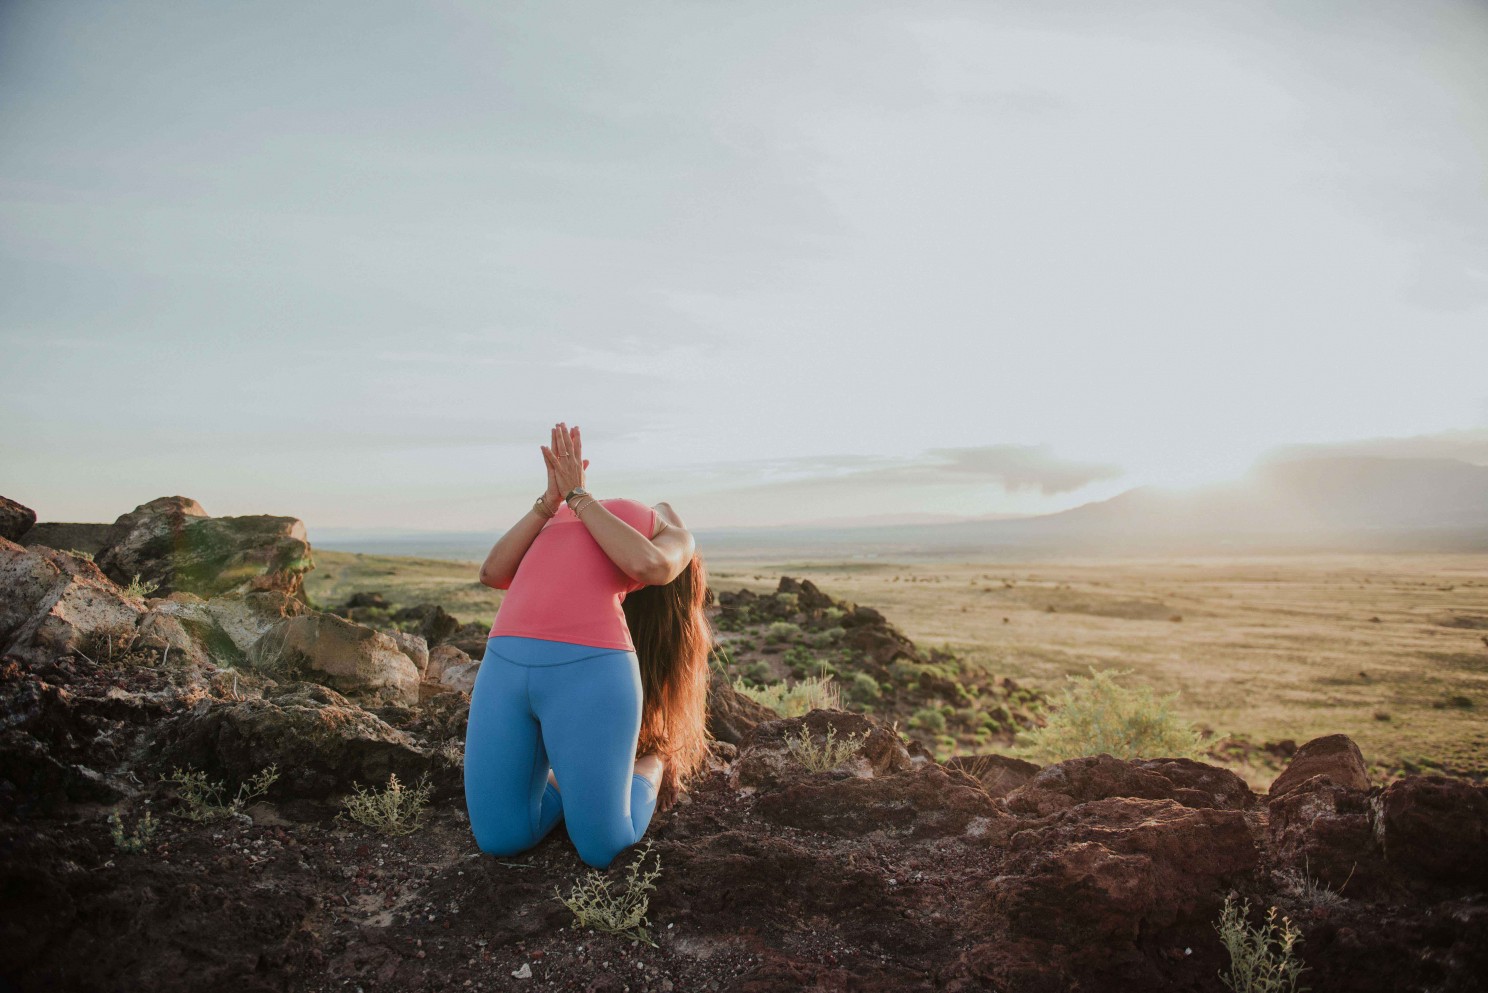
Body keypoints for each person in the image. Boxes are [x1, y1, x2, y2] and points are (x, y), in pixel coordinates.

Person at [465, 421, 713, 869]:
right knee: (502, 837)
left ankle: (651, 764)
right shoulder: (554, 516)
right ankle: (568, 783)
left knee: (604, 849)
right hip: (503, 667)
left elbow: (650, 565)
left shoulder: (672, 535)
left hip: (592, 671)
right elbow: (493, 573)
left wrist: (580, 497)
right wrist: (550, 501)